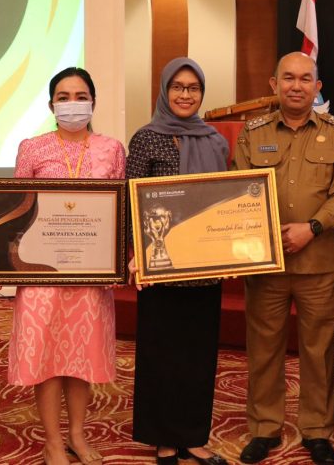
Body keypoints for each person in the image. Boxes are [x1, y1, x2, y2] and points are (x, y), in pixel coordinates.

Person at [0, 67, 124, 465]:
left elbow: (119, 212)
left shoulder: (112, 149)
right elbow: (17, 208)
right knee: (47, 357)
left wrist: (119, 259)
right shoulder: (32, 148)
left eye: (80, 96)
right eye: (64, 97)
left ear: (93, 102)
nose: (72, 103)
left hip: (90, 273)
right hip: (40, 272)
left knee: (81, 356)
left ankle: (77, 434)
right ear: (50, 105)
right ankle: (53, 442)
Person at [233, 52, 334, 465]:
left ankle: (317, 430)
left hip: (318, 262)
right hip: (265, 262)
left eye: (306, 79)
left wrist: (313, 227)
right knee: (263, 348)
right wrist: (268, 231)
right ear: (274, 84)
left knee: (318, 351)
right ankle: (264, 428)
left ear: (317, 87)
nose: (297, 86)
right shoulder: (253, 132)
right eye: (288, 78)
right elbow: (239, 189)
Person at [127, 57, 230, 465]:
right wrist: (136, 254)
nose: (185, 95)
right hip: (162, 267)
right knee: (161, 353)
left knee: (199, 356)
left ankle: (193, 436)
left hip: (205, 268)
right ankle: (164, 438)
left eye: (193, 88)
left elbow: (224, 200)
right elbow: (132, 197)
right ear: (165, 90)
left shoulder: (215, 140)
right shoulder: (147, 138)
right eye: (178, 87)